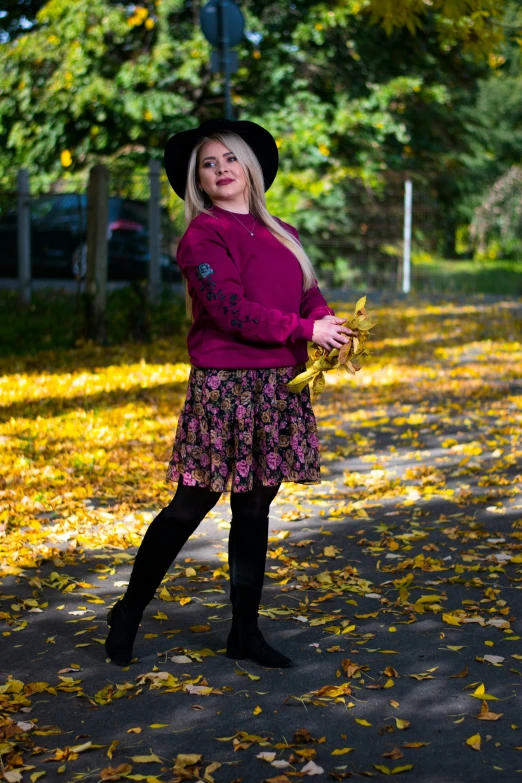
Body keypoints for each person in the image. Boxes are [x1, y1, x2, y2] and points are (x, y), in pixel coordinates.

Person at [104, 117, 353, 669]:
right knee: (192, 502)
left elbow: (308, 293)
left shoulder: (281, 229)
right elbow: (229, 310)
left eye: (230, 159)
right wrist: (303, 329)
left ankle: (244, 630)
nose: (221, 170)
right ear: (198, 179)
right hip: (225, 388)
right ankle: (129, 610)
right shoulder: (203, 236)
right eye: (208, 164)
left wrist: (328, 324)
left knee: (256, 505)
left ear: (250, 167)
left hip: (278, 387)